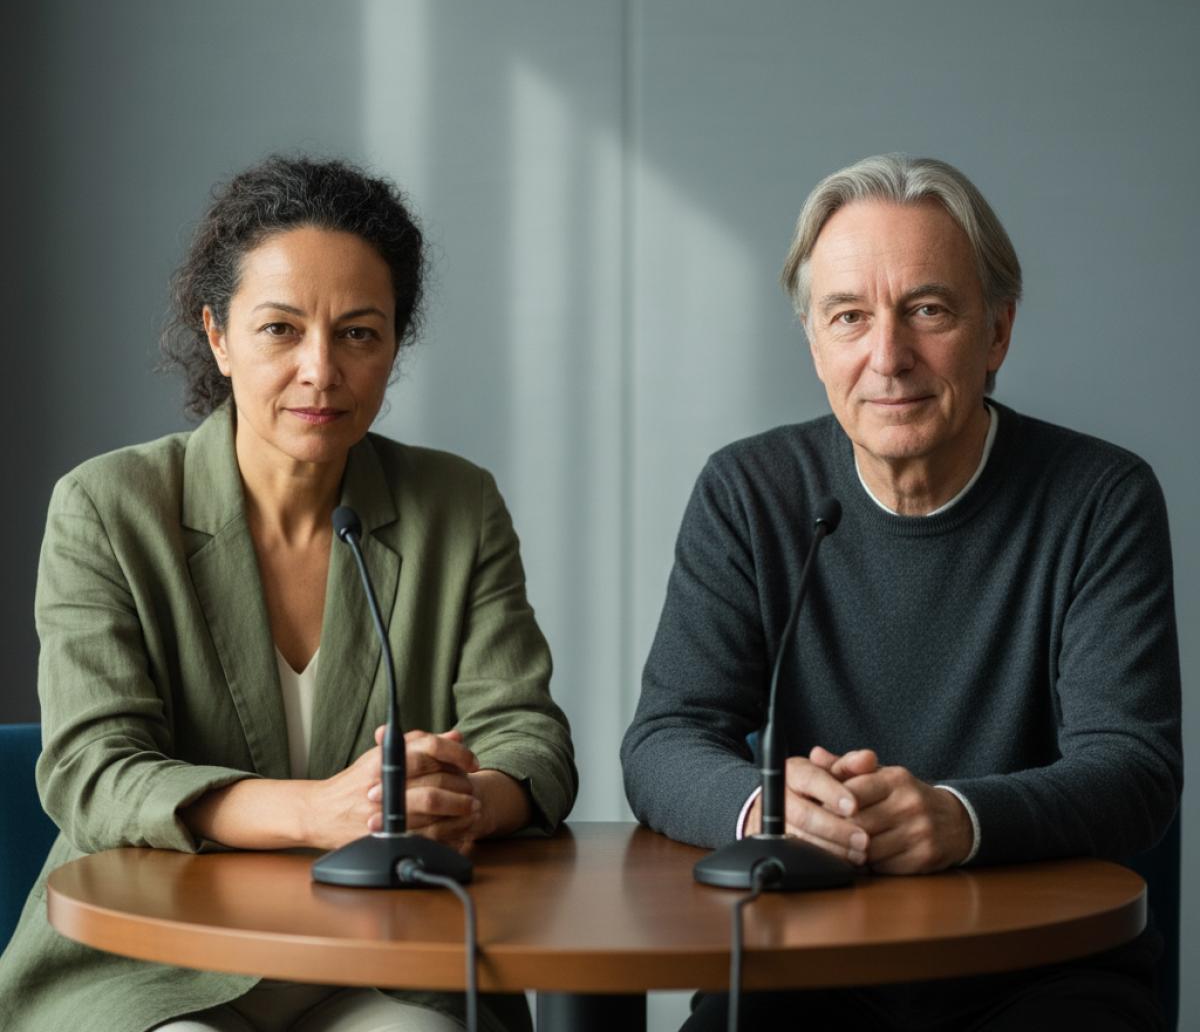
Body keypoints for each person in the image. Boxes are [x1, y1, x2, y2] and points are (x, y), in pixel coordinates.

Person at [0, 156, 577, 1032]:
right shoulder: (108, 508)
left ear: (394, 346)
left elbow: (530, 738)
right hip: (157, 962)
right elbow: (94, 772)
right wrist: (320, 812)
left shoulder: (455, 506)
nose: (322, 370)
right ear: (219, 336)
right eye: (280, 329)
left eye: (359, 333)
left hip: (386, 957)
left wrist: (455, 801)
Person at [621, 154, 1181, 1030]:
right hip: (803, 961)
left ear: (996, 332)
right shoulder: (749, 492)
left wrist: (960, 818)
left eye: (927, 310)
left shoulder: (1101, 499)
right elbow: (663, 740)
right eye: (849, 317)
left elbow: (1135, 769)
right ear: (815, 346)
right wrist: (763, 808)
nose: (889, 357)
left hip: (1042, 969)